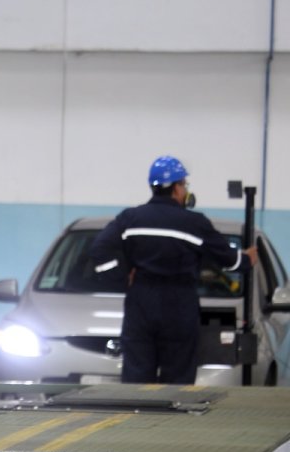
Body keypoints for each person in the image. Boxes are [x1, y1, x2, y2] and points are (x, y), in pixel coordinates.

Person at [89, 155, 258, 384]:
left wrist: (121, 278)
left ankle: (136, 407)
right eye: (184, 184)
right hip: (179, 304)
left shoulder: (131, 218)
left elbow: (99, 249)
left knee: (137, 378)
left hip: (141, 302)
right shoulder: (194, 223)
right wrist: (247, 258)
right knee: (178, 378)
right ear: (177, 188)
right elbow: (230, 262)